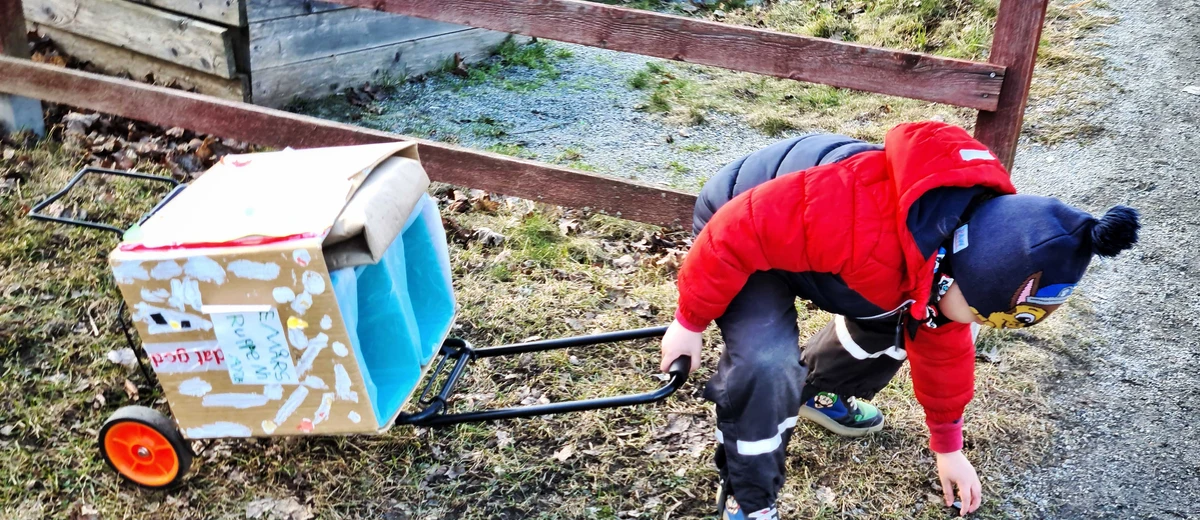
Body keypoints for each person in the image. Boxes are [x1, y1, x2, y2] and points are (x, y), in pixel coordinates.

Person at [658, 121, 1140, 520]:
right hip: (741, 221)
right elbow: (737, 230)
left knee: (907, 323)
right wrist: (690, 321)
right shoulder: (856, 212)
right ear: (959, 275)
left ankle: (816, 390)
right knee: (766, 363)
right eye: (977, 313)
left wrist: (949, 448)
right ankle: (748, 500)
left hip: (819, 252)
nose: (972, 325)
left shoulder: (951, 263)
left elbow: (944, 354)